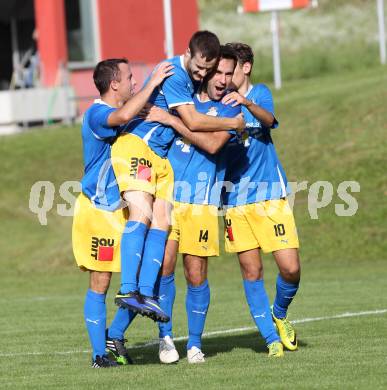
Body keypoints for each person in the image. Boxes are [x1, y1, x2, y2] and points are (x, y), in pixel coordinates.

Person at [112, 31, 244, 323]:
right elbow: (194, 121)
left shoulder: (194, 79)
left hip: (157, 157)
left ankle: (143, 293)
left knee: (161, 222)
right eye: (199, 67)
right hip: (139, 145)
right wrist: (234, 122)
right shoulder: (174, 75)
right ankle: (128, 289)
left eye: (207, 70)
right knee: (141, 214)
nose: (202, 74)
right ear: (187, 53)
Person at [141, 46, 241, 364]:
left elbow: (212, 144)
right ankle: (166, 338)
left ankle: (195, 343)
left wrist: (170, 121)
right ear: (207, 70)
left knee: (195, 273)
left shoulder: (231, 110)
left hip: (201, 202)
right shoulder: (182, 97)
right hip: (167, 197)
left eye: (229, 73)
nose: (223, 79)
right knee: (165, 267)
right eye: (219, 73)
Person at [72, 58, 173, 368]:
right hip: (99, 210)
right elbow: (125, 114)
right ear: (114, 83)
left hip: (123, 209)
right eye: (130, 77)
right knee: (101, 282)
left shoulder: (124, 111)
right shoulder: (97, 114)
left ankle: (115, 335)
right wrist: (153, 82)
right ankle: (98, 355)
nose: (134, 82)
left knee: (145, 273)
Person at [221, 42, 301, 357]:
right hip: (234, 200)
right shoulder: (218, 104)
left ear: (246, 67)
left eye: (230, 70)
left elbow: (268, 120)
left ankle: (279, 314)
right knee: (251, 271)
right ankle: (270, 340)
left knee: (291, 268)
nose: (225, 77)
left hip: (269, 196)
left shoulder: (260, 94)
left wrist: (245, 104)